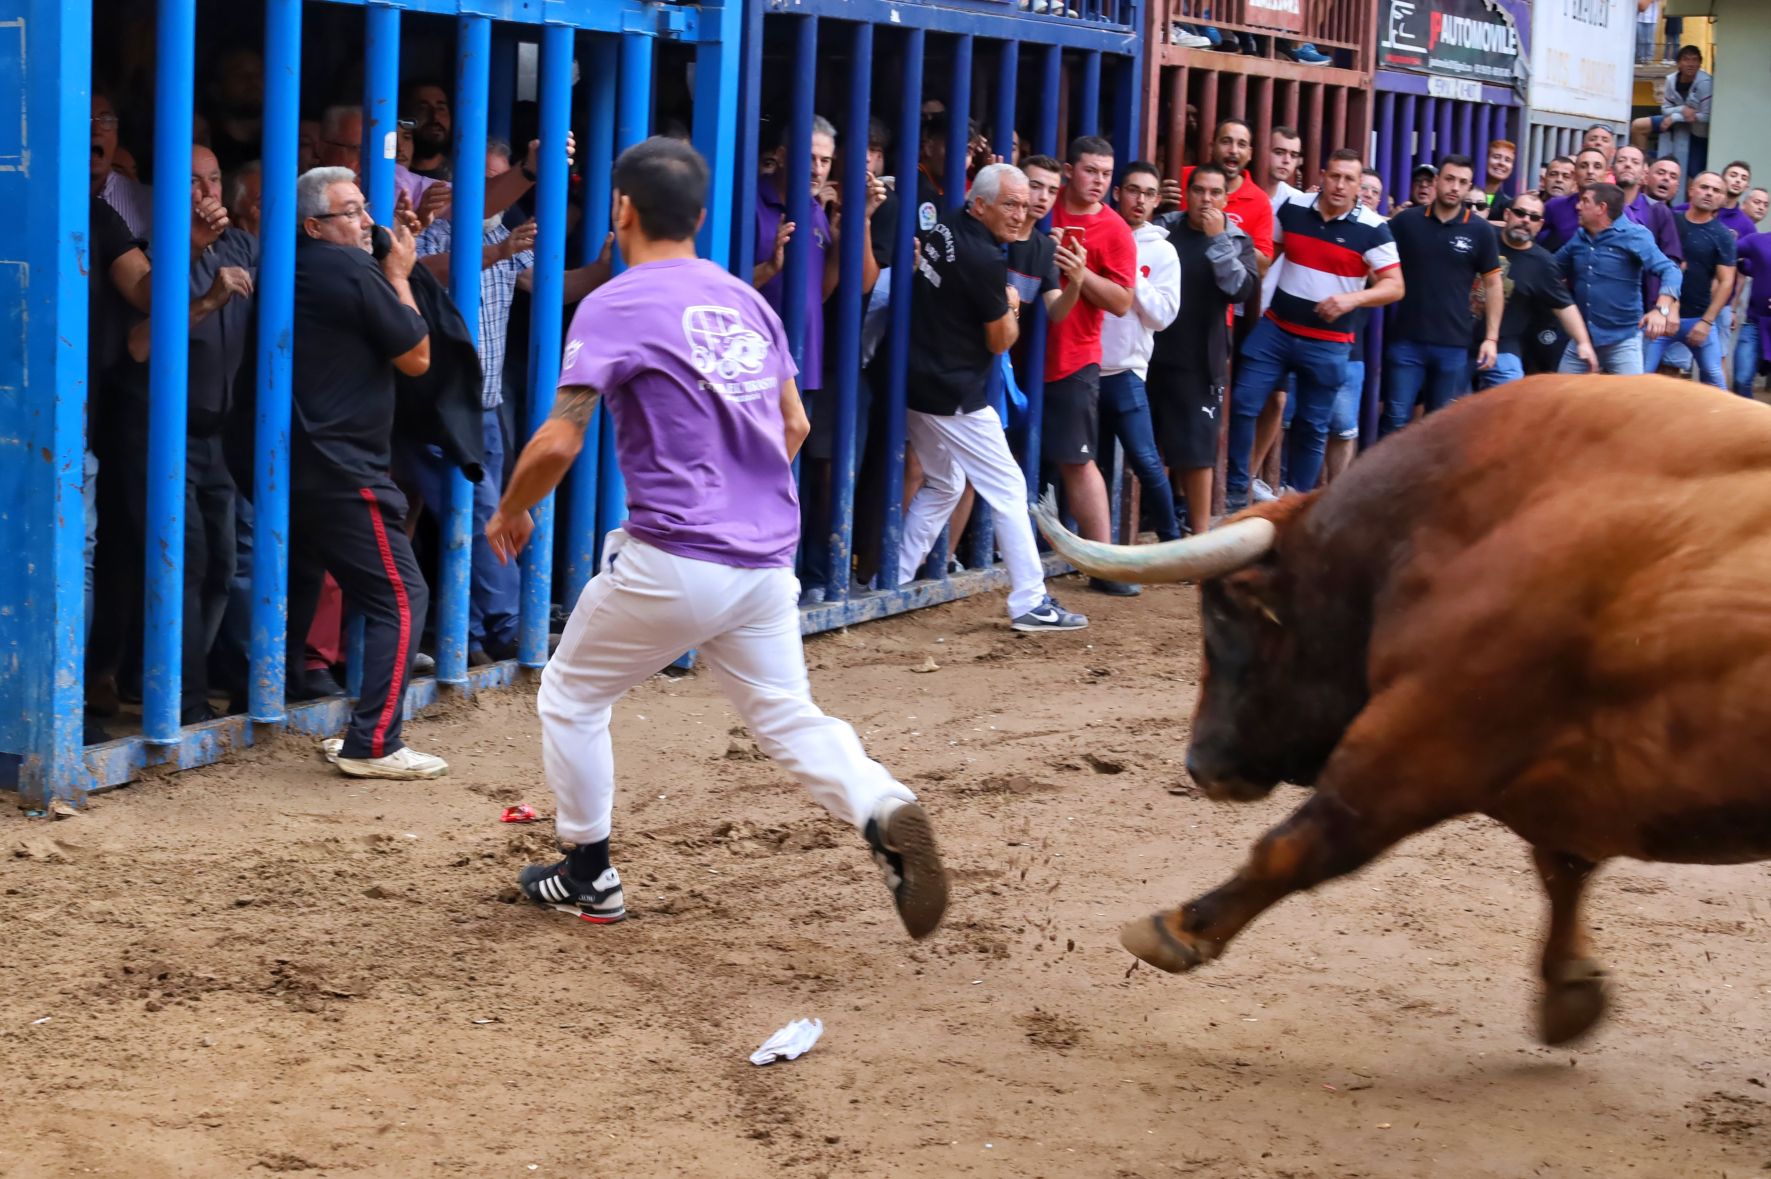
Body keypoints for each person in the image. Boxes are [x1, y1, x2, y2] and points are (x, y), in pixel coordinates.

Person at [484, 136, 950, 938]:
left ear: (622, 209)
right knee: (784, 712)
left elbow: (560, 438)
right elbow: (794, 422)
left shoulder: (616, 301)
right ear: (700, 217)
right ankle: (883, 803)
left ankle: (588, 872)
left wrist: (510, 508)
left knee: (572, 692)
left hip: (674, 553)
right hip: (765, 558)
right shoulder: (745, 297)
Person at [412, 142, 613, 664]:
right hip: (438, 404)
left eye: (514, 182)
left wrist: (603, 269)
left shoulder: (503, 232)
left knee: (487, 514)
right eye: (497, 183)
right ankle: (506, 626)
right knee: (481, 517)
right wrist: (495, 251)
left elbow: (549, 288)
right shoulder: (433, 229)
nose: (509, 194)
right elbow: (424, 270)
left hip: (485, 400)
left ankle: (470, 635)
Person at [289, 166, 445, 779]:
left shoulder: (303, 263)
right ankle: (374, 743)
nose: (368, 224)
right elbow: (417, 355)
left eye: (364, 208)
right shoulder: (348, 268)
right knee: (403, 597)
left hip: (307, 461)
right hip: (342, 465)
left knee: (343, 591)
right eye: (350, 214)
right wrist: (400, 276)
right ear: (315, 226)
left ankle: (358, 728)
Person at [95, 145, 258, 726]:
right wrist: (209, 299)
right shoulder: (157, 254)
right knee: (179, 560)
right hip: (156, 429)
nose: (206, 193)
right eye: (192, 182)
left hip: (217, 433)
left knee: (220, 563)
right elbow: (140, 344)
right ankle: (180, 701)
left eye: (214, 180)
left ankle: (163, 675)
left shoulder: (241, 245)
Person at [896, 162, 1087, 632]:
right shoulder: (984, 257)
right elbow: (1001, 341)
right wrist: (1012, 307)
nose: (1021, 214)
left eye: (1025, 205)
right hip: (953, 391)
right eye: (1011, 204)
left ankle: (894, 578)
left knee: (944, 483)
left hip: (920, 382)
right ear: (980, 204)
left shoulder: (946, 224)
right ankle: (1031, 602)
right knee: (1007, 488)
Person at [752, 114, 884, 604]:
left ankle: (796, 576)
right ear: (781, 154)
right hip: (752, 368)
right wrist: (769, 267)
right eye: (808, 157)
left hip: (802, 367)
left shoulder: (812, 209)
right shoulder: (752, 202)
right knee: (760, 475)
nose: (817, 168)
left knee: (795, 479)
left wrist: (851, 226)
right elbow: (719, 286)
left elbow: (831, 289)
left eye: (825, 160)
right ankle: (761, 580)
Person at [1226, 149, 1402, 509]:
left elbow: (1395, 286)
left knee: (1313, 425)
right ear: (1322, 174)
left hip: (1330, 341)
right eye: (1335, 176)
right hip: (1276, 328)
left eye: (1349, 179)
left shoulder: (1373, 228)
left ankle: (1296, 503)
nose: (1340, 185)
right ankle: (1236, 490)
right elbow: (1267, 255)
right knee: (1243, 402)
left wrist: (1351, 300)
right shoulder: (1292, 209)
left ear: (1358, 185)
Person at [1147, 163, 1260, 535]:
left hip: (1200, 361)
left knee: (1197, 454)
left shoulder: (1237, 239)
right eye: (1199, 191)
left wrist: (1217, 241)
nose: (1206, 200)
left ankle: (1198, 539)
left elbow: (1239, 290)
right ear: (1187, 191)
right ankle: (1154, 530)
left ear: (1227, 199)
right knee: (1150, 448)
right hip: (1149, 355)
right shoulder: (1163, 229)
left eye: (1215, 193)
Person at [1045, 136, 1136, 591]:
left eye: (1106, 173)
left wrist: (1082, 275)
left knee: (1078, 461)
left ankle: (1105, 567)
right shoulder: (1041, 204)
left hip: (1074, 358)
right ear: (1068, 170)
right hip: (1014, 351)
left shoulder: (1116, 230)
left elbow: (1123, 302)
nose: (1099, 181)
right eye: (1090, 171)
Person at [1096, 162, 1183, 556]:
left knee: (1146, 461)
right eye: (1133, 190)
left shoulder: (1163, 251)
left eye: (1149, 193)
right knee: (1079, 462)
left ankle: (1172, 545)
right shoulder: (1097, 230)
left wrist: (1129, 266)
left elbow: (1163, 316)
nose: (1140, 200)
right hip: (1082, 367)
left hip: (1126, 369)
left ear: (1157, 200)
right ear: (1118, 193)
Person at [1382, 155, 1501, 435]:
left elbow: (1494, 284)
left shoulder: (1481, 230)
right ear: (1437, 181)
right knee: (1395, 420)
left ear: (1469, 186)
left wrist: (1491, 338)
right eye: (1449, 179)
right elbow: (1378, 262)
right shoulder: (1406, 222)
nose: (1454, 187)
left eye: (1462, 182)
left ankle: (1428, 481)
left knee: (1440, 429)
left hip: (1453, 344)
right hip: (1406, 339)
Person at [1554, 182, 1681, 375]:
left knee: (1632, 402)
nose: (1577, 206)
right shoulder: (1580, 237)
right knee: (1561, 398)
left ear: (1601, 208)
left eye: (1585, 201)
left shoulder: (1635, 235)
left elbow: (1671, 270)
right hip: (1583, 339)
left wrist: (1661, 310)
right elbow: (1552, 269)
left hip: (1623, 341)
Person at [1475, 192, 1600, 387]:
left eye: (1533, 217)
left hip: (1504, 345)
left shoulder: (1543, 263)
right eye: (1520, 213)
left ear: (1540, 225)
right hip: (1459, 337)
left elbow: (1565, 305)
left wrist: (1583, 343)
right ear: (1507, 215)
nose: (1526, 220)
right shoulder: (1483, 237)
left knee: (1512, 398)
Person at [1645, 171, 1737, 388]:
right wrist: (1667, 310)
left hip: (1698, 318)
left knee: (1715, 377)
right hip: (1660, 315)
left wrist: (1706, 322)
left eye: (1716, 190)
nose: (1709, 193)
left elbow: (1726, 281)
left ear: (1723, 199)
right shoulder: (1671, 221)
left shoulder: (1723, 235)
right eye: (1704, 187)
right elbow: (1657, 266)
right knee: (1639, 375)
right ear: (1691, 190)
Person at [1631, 46, 1711, 189]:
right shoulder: (1671, 80)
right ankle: (1641, 167)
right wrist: (1681, 110)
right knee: (1638, 125)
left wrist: (1675, 117)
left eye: (1694, 60)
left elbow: (1706, 116)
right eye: (1686, 59)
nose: (1690, 64)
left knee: (1694, 179)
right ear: (1678, 63)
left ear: (1700, 63)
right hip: (1673, 122)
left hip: (1697, 131)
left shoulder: (1705, 83)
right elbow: (1665, 109)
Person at [92, 91, 152, 239]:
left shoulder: (149, 203)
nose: (96, 130)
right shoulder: (48, 200)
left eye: (106, 120)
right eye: (83, 119)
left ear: (116, 134)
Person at [1539, 149, 1614, 251]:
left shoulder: (1620, 209)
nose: (1590, 171)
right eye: (1583, 166)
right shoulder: (1555, 206)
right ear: (1574, 174)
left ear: (1606, 174)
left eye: (1597, 167)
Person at [1731, 221, 1771, 397]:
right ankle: (1748, 422)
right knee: (1741, 378)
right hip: (1755, 322)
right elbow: (1727, 250)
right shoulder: (1758, 241)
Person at [403, 81, 453, 180]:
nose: (435, 117)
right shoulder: (393, 176)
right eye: (423, 108)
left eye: (441, 108)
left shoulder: (463, 174)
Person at [1480, 139, 1517, 219]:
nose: (1501, 163)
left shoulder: (1509, 204)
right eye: (1496, 157)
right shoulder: (1466, 193)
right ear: (1485, 160)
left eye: (1507, 160)